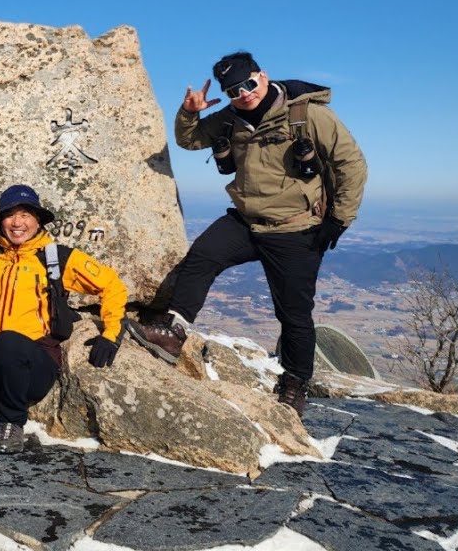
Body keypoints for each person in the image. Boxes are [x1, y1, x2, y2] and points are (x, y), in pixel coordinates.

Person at [127, 51, 367, 416]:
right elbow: (189, 140)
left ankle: (295, 383)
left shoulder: (307, 115)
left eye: (249, 84)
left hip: (295, 228)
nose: (244, 93)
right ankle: (174, 333)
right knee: (202, 257)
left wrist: (339, 219)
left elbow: (350, 163)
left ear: (263, 76)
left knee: (294, 314)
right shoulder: (230, 119)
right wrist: (190, 111)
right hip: (245, 219)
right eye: (235, 90)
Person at [0, 184, 129, 454]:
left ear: (38, 219)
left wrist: (111, 332)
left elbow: (112, 285)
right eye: (10, 215)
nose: (17, 222)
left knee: (9, 341)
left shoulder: (55, 257)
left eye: (25, 214)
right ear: (1, 221)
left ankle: (13, 422)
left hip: (32, 364)